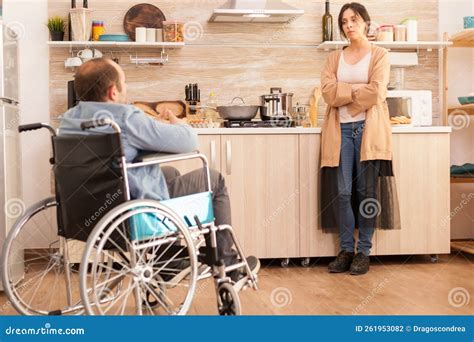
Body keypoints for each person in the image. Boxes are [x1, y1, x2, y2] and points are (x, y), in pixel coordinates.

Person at [58, 57, 259, 280]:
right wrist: (178, 122)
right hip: (133, 214)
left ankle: (166, 256)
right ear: (113, 91)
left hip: (86, 214)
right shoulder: (125, 117)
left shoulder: (67, 121)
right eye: (124, 84)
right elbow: (189, 142)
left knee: (169, 173)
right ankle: (229, 265)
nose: (126, 90)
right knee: (215, 179)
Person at [320, 2, 400, 275]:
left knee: (366, 193)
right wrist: (357, 93)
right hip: (339, 131)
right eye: (344, 22)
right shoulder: (334, 57)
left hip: (368, 131)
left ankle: (363, 251)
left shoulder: (380, 55)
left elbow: (377, 92)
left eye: (354, 19)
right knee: (342, 194)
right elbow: (328, 93)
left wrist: (347, 93)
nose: (349, 25)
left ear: (366, 22)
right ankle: (346, 249)